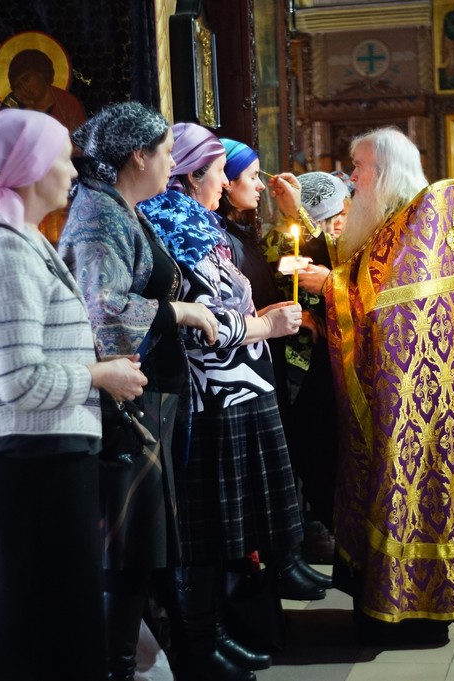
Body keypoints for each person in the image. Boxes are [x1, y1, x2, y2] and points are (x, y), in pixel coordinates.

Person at [0, 109, 148, 681]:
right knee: (36, 631)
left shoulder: (26, 241)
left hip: (52, 453)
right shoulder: (5, 251)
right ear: (32, 167)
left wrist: (102, 369)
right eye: (64, 158)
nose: (74, 169)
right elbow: (19, 382)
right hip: (34, 458)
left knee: (63, 628)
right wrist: (100, 376)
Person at [138, 123, 319, 680]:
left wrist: (259, 320)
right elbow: (201, 328)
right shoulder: (173, 228)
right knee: (206, 528)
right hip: (210, 398)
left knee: (225, 527)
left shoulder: (198, 222)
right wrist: (266, 326)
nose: (226, 182)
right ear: (193, 176)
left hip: (236, 390)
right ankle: (201, 642)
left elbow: (223, 305)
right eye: (220, 172)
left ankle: (217, 629)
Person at [57, 102, 219, 681]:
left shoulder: (121, 206)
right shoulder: (98, 214)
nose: (173, 163)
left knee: (143, 549)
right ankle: (116, 669)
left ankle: (167, 657)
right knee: (126, 552)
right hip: (122, 404)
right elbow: (103, 310)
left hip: (149, 399)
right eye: (167, 152)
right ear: (139, 156)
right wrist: (183, 311)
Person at [325, 127, 454, 645]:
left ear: (384, 172)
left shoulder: (420, 220)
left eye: (358, 167)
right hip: (390, 389)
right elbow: (364, 270)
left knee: (407, 488)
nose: (352, 177)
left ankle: (412, 611)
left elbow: (389, 308)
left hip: (411, 398)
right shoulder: (394, 217)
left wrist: (329, 285)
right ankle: (378, 597)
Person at [262, 171, 351, 562]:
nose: (341, 223)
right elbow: (285, 282)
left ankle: (318, 525)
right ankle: (309, 530)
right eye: (337, 216)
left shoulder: (321, 242)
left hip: (314, 354)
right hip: (294, 356)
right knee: (302, 440)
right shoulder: (281, 241)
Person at [2, 48, 87, 134]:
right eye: (18, 86)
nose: (25, 88)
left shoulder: (68, 104)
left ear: (40, 73)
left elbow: (81, 138)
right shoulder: (17, 109)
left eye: (26, 79)